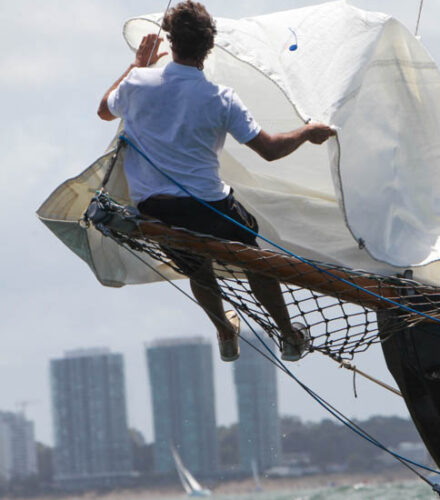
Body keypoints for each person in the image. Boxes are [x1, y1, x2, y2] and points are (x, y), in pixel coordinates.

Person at [97, 1, 336, 362]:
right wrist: (306, 132)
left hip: (154, 209)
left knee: (197, 266)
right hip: (210, 208)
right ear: (208, 48)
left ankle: (224, 330)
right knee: (255, 258)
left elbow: (104, 110)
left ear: (170, 41)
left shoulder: (137, 82)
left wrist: (137, 65)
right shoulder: (222, 99)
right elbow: (270, 150)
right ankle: (288, 335)